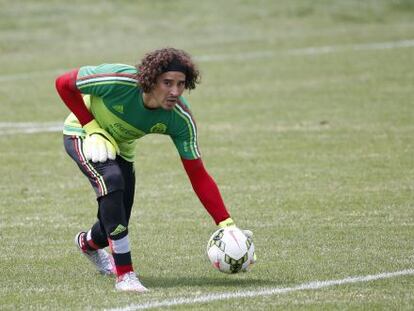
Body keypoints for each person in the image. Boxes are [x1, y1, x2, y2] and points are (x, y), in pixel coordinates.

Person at [55, 47, 253, 292]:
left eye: (181, 84)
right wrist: (92, 126)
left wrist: (227, 223)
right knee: (112, 180)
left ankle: (87, 243)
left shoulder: (180, 119)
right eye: (167, 83)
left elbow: (198, 174)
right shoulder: (118, 80)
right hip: (83, 133)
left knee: (114, 225)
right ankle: (125, 275)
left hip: (121, 149)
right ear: (150, 79)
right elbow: (63, 83)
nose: (175, 91)